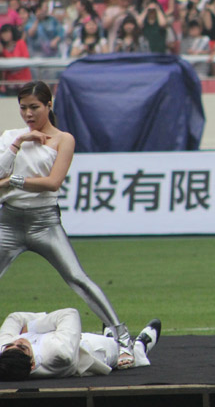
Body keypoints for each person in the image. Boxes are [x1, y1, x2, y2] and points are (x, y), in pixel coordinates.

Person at [0, 81, 135, 369]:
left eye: (34, 107)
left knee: (78, 278)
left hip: (45, 222)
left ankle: (123, 336)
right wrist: (17, 144)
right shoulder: (12, 136)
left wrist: (13, 181)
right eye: (23, 107)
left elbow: (52, 182)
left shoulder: (63, 139)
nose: (28, 113)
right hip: (8, 222)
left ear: (49, 105)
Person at [0, 308, 161, 379]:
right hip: (91, 349)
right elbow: (70, 314)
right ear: (33, 364)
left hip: (63, 336)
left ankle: (113, 335)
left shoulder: (5, 351)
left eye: (10, 345)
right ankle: (136, 349)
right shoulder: (58, 353)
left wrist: (31, 327)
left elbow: (14, 317)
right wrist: (32, 326)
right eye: (22, 347)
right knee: (116, 347)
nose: (17, 340)